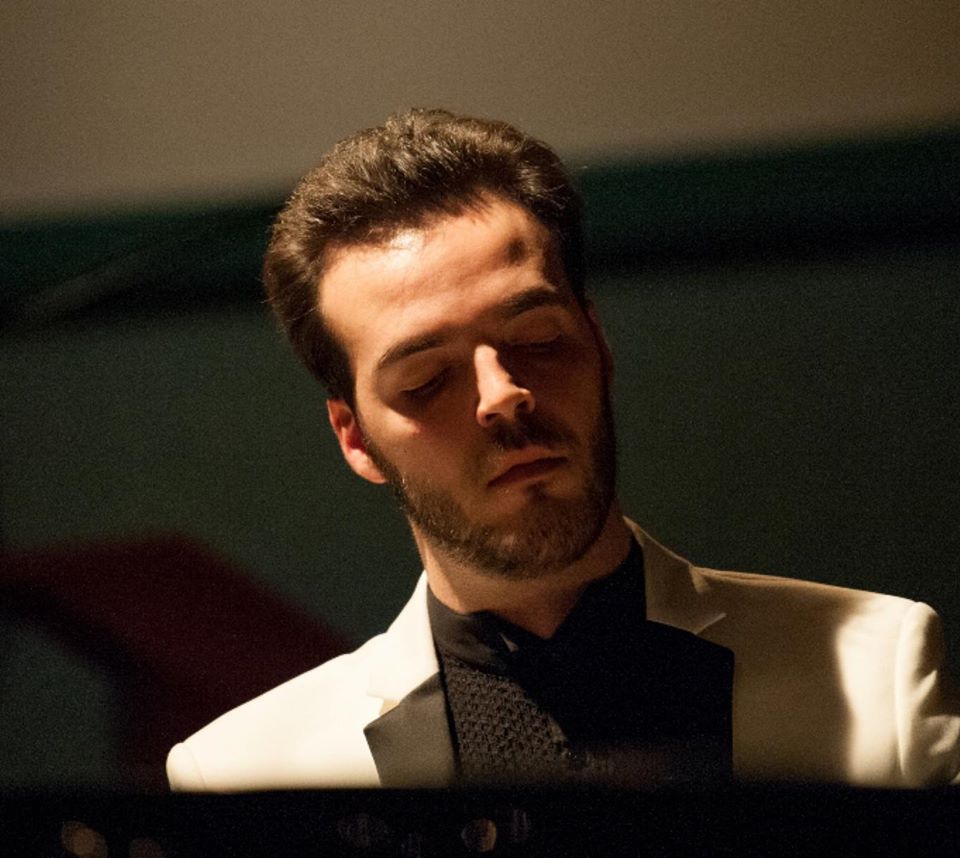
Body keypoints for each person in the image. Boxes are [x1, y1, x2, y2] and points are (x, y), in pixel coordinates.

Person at [167, 109, 960, 790]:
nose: (501, 394)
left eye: (538, 339)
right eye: (427, 380)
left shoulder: (877, 670)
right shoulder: (242, 773)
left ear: (598, 342)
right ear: (356, 437)